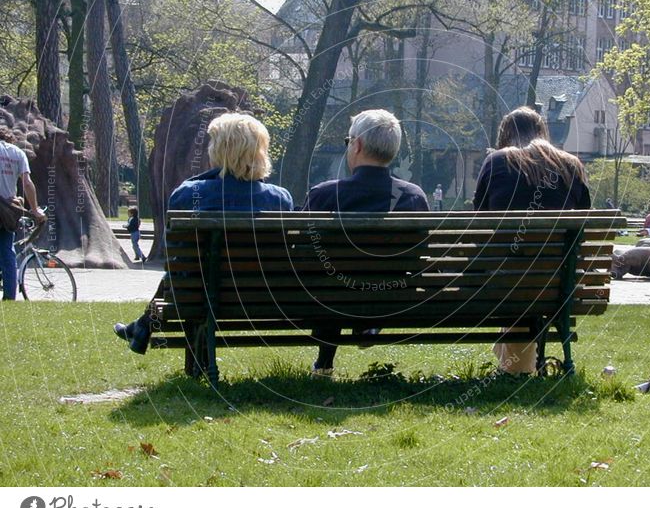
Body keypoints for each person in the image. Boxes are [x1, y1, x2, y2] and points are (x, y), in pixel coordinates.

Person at [113, 113, 293, 353]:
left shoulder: (188, 194)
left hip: (198, 296)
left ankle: (143, 326)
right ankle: (141, 326)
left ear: (219, 149)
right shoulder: (279, 199)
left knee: (187, 273)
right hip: (264, 296)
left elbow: (177, 258)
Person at [301, 109, 429, 376]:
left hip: (329, 298)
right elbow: (421, 255)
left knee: (328, 279)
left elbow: (301, 253)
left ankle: (324, 364)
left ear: (357, 145)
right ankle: (367, 324)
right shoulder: (413, 197)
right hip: (391, 297)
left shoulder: (323, 195)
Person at [473, 107, 590, 374]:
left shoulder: (497, 162)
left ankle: (516, 369)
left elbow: (478, 218)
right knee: (528, 276)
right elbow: (582, 225)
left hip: (504, 278)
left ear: (506, 135)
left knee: (513, 271)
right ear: (542, 132)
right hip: (557, 282)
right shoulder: (571, 165)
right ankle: (515, 366)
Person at [0, 127, 46, 300]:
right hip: (7, 210)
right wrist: (35, 210)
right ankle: (10, 296)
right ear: (10, 139)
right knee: (7, 252)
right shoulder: (18, 153)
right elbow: (27, 183)